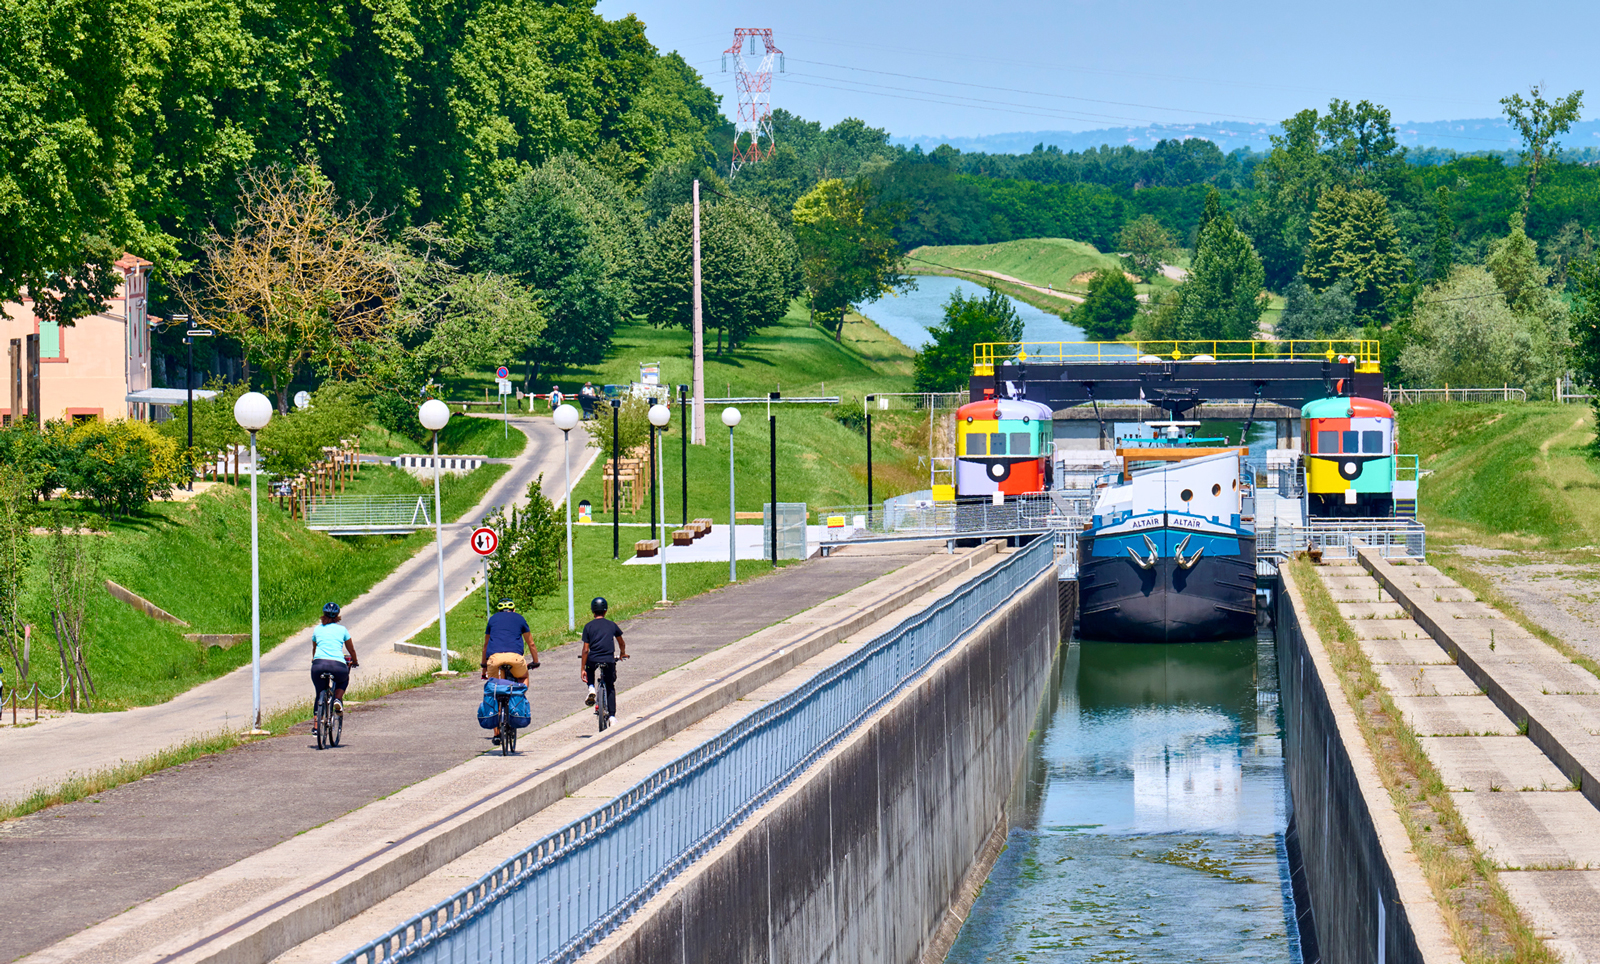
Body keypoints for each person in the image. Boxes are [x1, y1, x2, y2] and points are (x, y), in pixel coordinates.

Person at [482, 597, 540, 745]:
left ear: (499, 610)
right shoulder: (520, 619)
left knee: (495, 691)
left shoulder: (492, 619)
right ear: (514, 610)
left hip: (495, 659)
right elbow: (531, 643)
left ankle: (496, 734)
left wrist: (484, 667)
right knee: (523, 677)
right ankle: (518, 698)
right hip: (515, 659)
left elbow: (486, 645)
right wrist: (536, 661)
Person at [579, 596, 627, 727]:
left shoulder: (588, 626)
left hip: (593, 658)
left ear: (592, 611)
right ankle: (612, 717)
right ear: (605, 611)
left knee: (590, 668)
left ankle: (591, 688)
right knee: (610, 685)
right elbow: (621, 642)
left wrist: (583, 667)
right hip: (608, 659)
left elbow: (585, 650)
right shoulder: (612, 625)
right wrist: (622, 653)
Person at [311, 602, 358, 707]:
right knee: (344, 679)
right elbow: (351, 650)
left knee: (319, 694)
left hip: (318, 665)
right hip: (337, 666)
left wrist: (314, 660)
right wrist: (354, 661)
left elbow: (315, 648)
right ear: (337, 616)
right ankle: (337, 699)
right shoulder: (342, 630)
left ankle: (316, 723)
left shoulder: (317, 629)